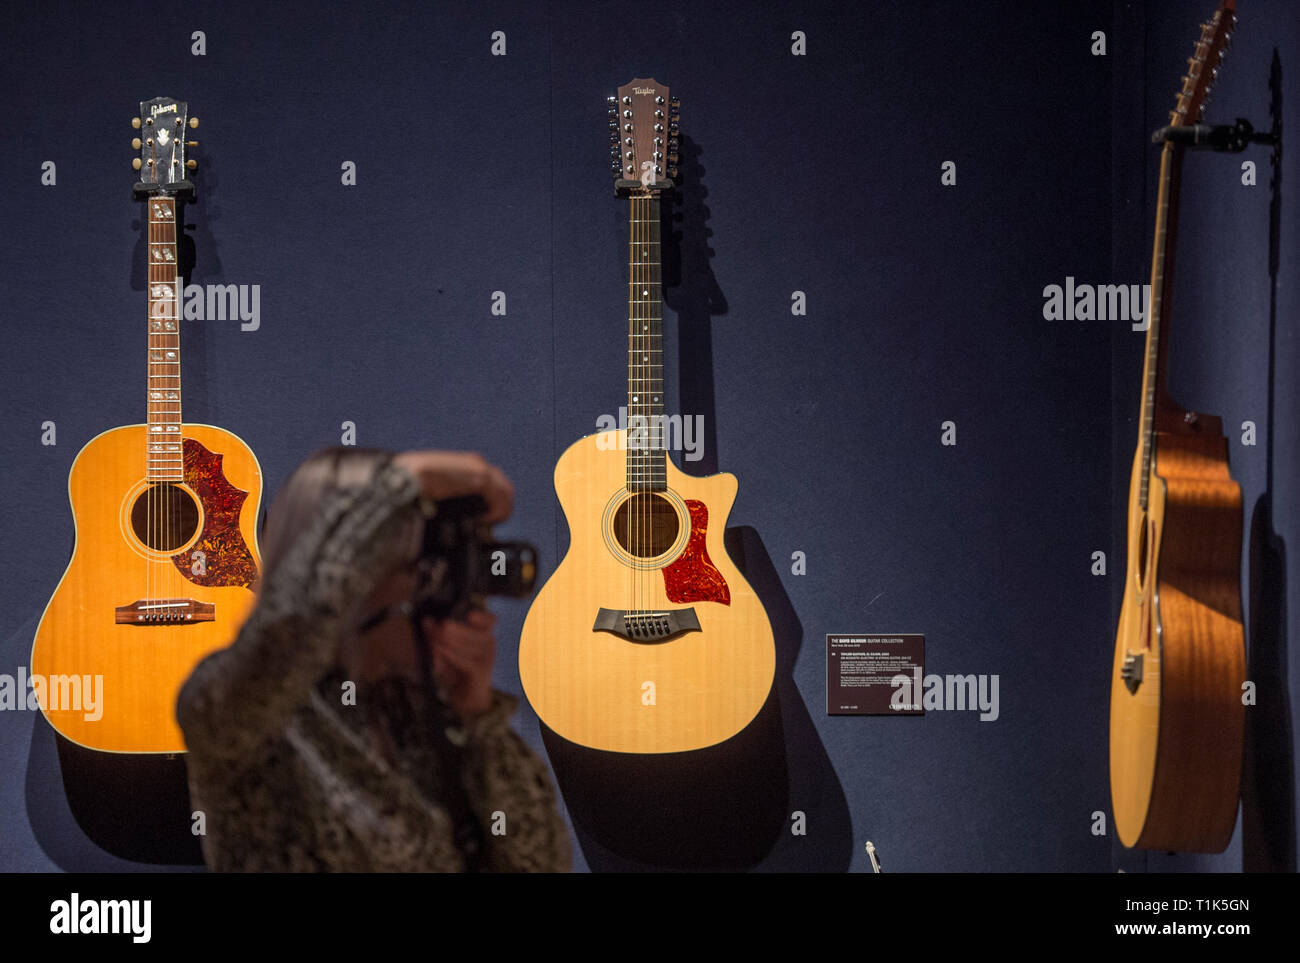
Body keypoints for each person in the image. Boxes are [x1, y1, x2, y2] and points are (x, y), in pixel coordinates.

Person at [176, 447, 570, 872]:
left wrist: (476, 721)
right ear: (351, 578)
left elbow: (542, 861)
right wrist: (402, 483)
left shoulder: (421, 716)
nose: (433, 592)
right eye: (415, 570)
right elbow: (295, 622)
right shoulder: (245, 712)